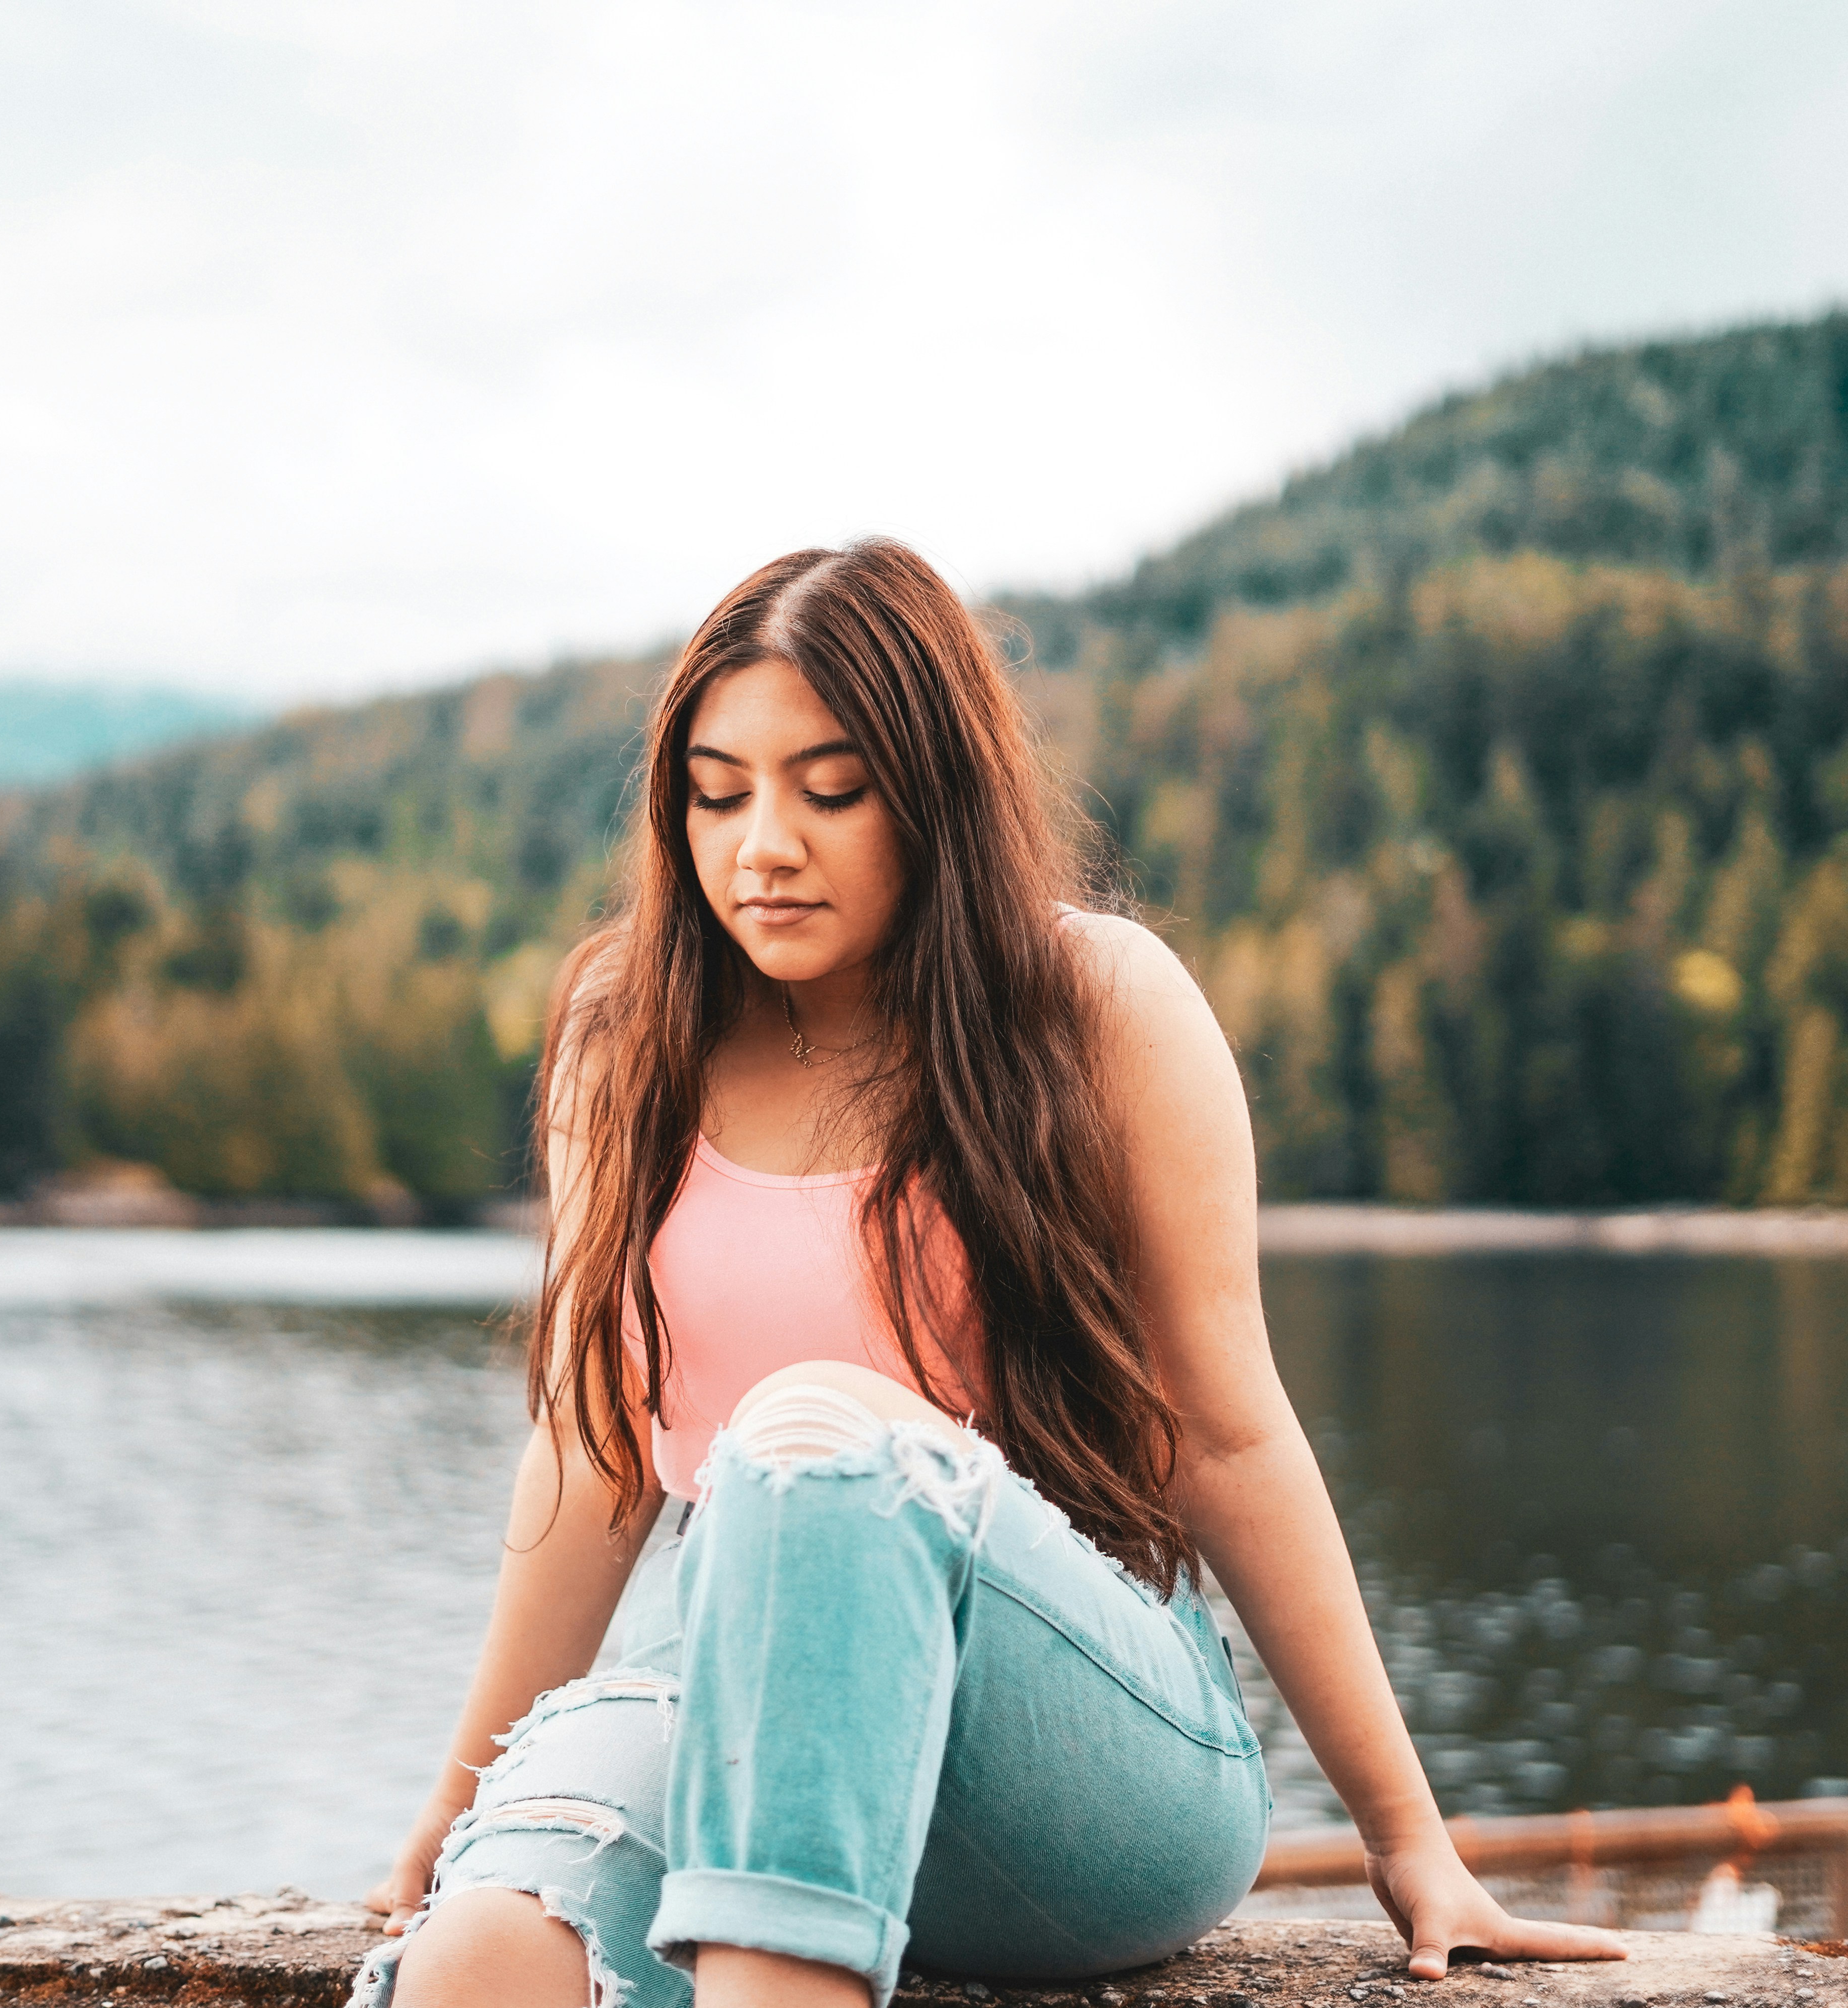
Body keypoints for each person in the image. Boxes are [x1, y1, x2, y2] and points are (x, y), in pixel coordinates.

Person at [356, 540, 1627, 2008]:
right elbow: (592, 1451)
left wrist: (1411, 1841)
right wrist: (457, 1810)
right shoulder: (621, 1034)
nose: (763, 843)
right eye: (719, 792)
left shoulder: (1099, 1008)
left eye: (830, 790)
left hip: (1071, 1751)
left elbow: (1225, 1433)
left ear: (937, 793)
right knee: (480, 1960)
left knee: (814, 1437)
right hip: (720, 1699)